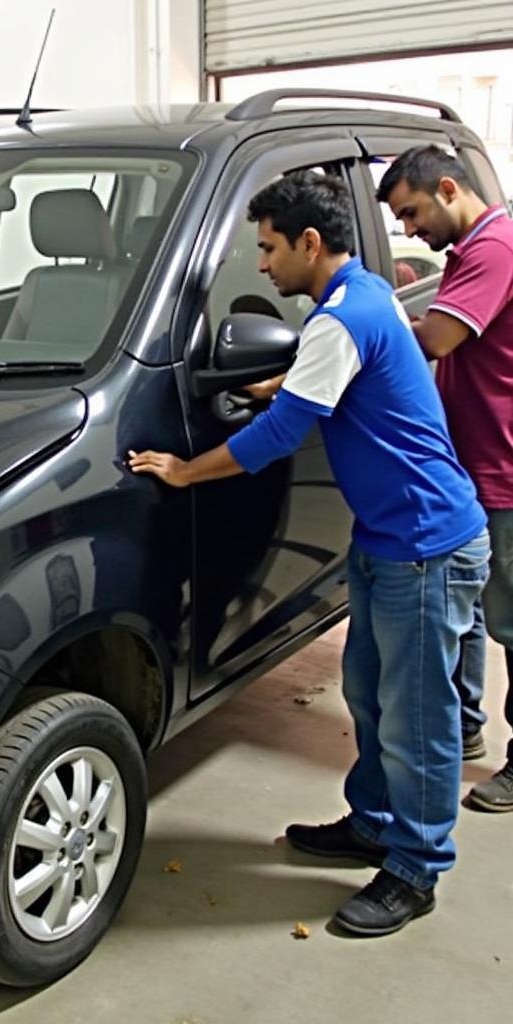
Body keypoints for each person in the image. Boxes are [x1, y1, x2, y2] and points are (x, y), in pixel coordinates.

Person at [129, 170, 490, 936]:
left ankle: (416, 869)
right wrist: (281, 384)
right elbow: (339, 377)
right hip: (390, 540)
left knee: (415, 717)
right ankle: (374, 820)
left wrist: (186, 468)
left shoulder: (342, 317)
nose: (262, 266)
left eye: (267, 249)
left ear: (309, 243)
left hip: (426, 545)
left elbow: (280, 438)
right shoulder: (361, 297)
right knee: (368, 692)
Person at [378, 146, 513, 812]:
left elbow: (434, 340)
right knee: (465, 615)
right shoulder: (469, 253)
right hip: (471, 462)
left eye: (411, 212)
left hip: (506, 468)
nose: (408, 232)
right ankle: (463, 725)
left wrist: (357, 329)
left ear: (449, 188)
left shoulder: (495, 248)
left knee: (511, 624)